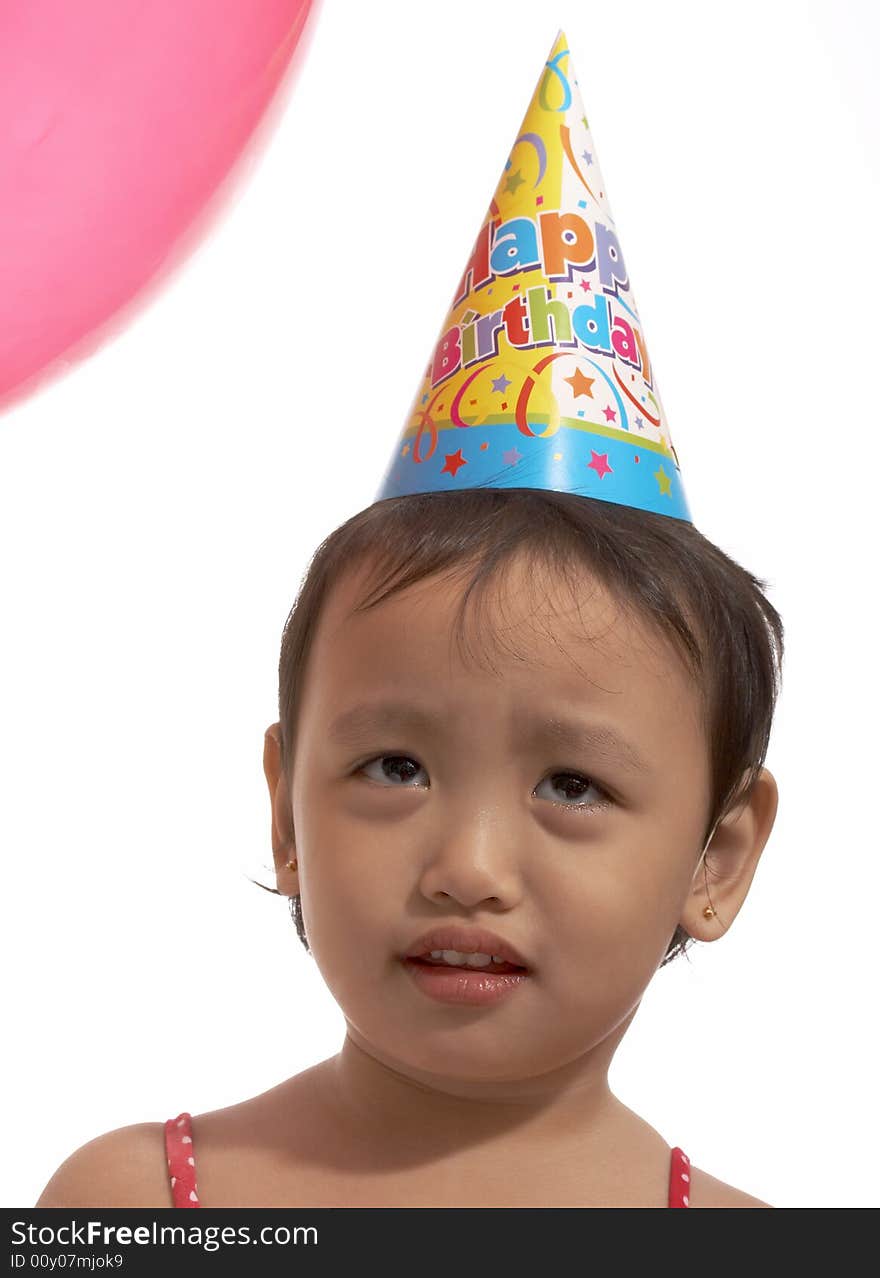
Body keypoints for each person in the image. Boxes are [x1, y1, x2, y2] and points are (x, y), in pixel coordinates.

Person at [35, 31, 781, 1209]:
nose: (466, 869)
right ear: (286, 814)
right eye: (394, 765)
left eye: (571, 786)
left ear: (717, 858)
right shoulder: (136, 1202)